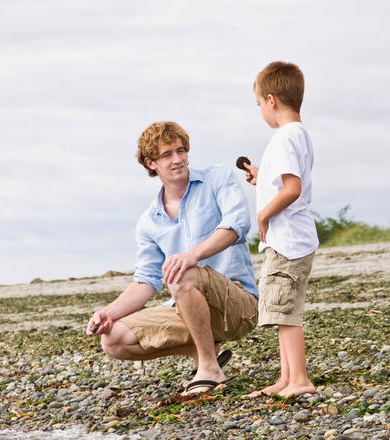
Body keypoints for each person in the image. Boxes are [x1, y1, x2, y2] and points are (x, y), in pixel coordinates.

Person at [86, 121, 258, 396]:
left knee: (182, 271)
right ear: (151, 163)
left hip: (237, 305)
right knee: (114, 341)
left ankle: (209, 369)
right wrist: (109, 313)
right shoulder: (149, 222)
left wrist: (192, 256)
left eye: (181, 151)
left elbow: (237, 225)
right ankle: (205, 354)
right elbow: (146, 281)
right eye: (167, 155)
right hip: (186, 308)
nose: (178, 160)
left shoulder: (217, 179)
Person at [240, 61, 319, 398]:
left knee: (286, 313)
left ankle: (299, 380)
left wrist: (262, 216)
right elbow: (282, 181)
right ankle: (286, 378)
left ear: (271, 100)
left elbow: (291, 188)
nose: (260, 109)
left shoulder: (285, 137)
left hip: (287, 240)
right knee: (283, 309)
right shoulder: (297, 135)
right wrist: (261, 176)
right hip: (293, 238)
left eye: (258, 103)